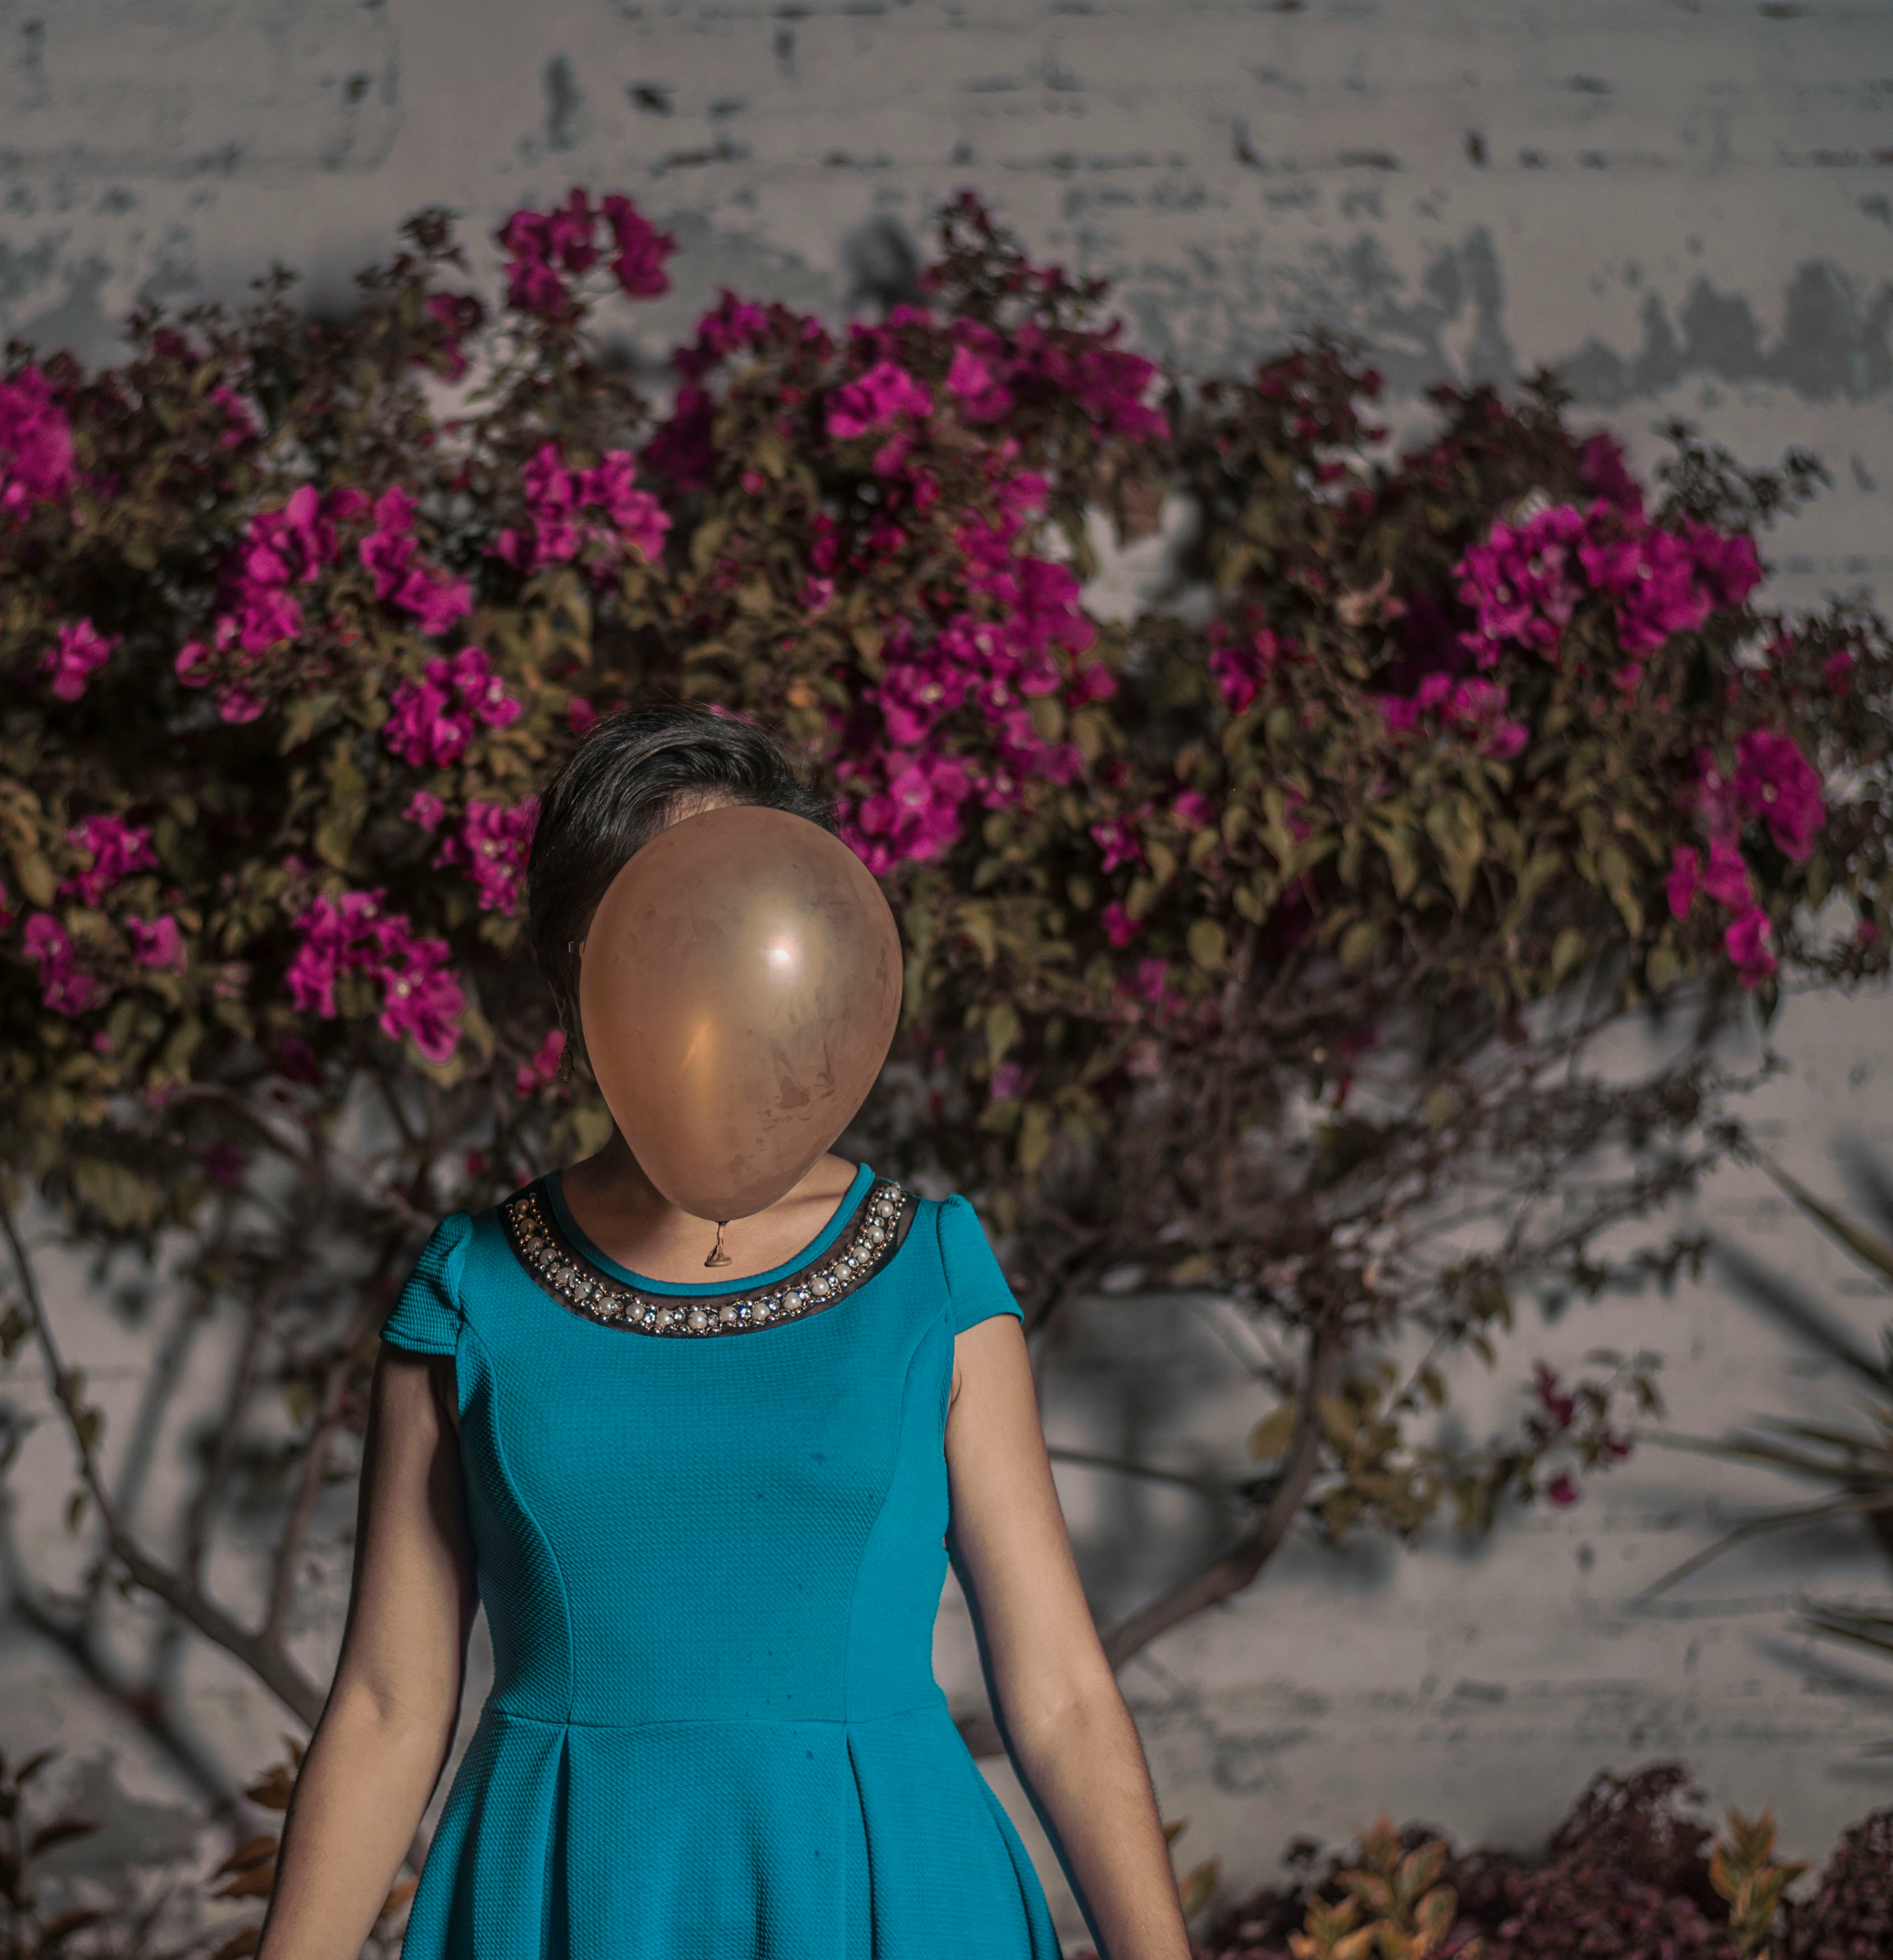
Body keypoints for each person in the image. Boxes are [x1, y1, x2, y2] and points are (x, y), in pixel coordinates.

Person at [256, 705, 1193, 1959]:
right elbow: (384, 1702)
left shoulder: (931, 1267)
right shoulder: (471, 1285)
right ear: (579, 963)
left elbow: (1064, 1693)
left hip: (889, 1891)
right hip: (566, 1888)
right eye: (655, 927)